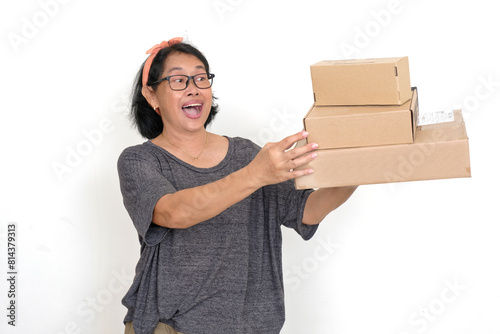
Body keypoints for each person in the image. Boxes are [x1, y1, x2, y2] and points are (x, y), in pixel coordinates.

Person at [117, 37, 357, 334]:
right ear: (152, 96)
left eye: (201, 78)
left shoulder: (246, 154)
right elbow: (173, 213)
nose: (194, 87)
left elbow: (308, 210)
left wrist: (359, 164)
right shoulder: (140, 161)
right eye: (178, 80)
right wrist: (256, 174)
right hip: (169, 326)